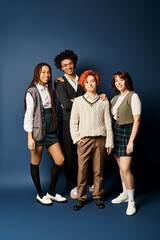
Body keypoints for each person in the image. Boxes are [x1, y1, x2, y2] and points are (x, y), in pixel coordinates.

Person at [54, 50, 107, 199]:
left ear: (74, 63)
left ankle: (91, 184)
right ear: (61, 67)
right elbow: (65, 104)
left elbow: (91, 96)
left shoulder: (83, 80)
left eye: (70, 63)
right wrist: (77, 101)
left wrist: (100, 96)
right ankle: (73, 186)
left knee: (89, 155)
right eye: (65, 65)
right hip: (68, 123)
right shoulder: (60, 82)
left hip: (86, 123)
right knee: (70, 156)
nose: (68, 67)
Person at [70, 70, 114, 211]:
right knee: (82, 170)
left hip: (100, 139)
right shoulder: (78, 101)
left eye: (92, 81)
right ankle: (80, 197)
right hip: (84, 140)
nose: (90, 84)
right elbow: (73, 123)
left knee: (98, 170)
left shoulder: (103, 101)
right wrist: (77, 139)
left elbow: (108, 123)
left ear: (97, 83)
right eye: (87, 82)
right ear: (83, 84)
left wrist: (109, 142)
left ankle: (97, 195)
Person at [24, 62, 67, 205]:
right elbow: (29, 115)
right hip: (37, 132)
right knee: (35, 162)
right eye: (43, 72)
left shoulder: (48, 89)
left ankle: (51, 192)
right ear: (37, 73)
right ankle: (40, 193)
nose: (46, 75)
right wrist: (30, 137)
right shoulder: (32, 91)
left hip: (51, 130)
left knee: (60, 160)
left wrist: (58, 82)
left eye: (48, 72)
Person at [110, 70, 141, 216]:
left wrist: (131, 142)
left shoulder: (133, 96)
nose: (119, 82)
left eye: (121, 79)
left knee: (125, 168)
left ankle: (132, 202)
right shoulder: (115, 99)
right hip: (115, 133)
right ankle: (124, 193)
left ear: (126, 80)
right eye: (116, 80)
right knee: (120, 167)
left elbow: (137, 120)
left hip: (127, 134)